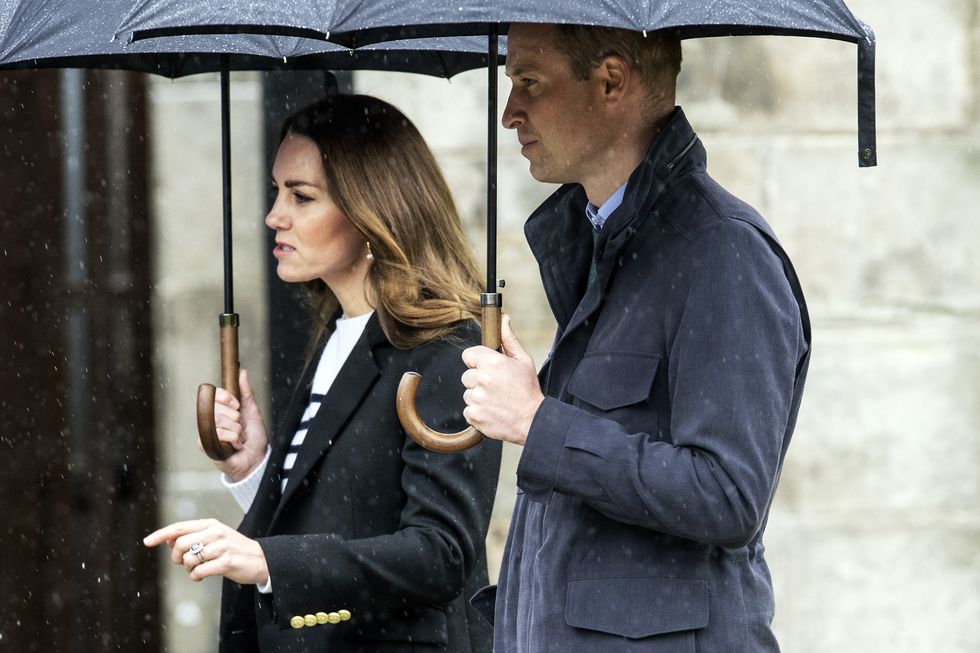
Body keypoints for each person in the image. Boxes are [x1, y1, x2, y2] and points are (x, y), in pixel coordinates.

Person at [460, 23, 811, 652]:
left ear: (612, 81)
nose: (510, 112)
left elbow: (728, 495)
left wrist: (538, 421)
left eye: (529, 83)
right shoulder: (603, 245)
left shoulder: (722, 252)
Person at [144, 93, 502, 653]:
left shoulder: (446, 347)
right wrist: (255, 471)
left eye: (301, 196)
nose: (273, 217)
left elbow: (441, 555)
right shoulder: (339, 331)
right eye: (276, 191)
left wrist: (263, 559)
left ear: (370, 212)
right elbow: (340, 517)